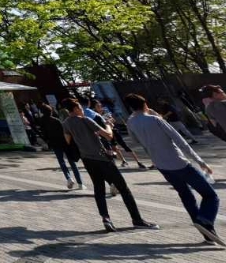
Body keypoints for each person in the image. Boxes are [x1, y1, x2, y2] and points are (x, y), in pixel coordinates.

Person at [123, 94, 224, 246]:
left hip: (162, 165)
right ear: (145, 104)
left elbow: (135, 141)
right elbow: (180, 140)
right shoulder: (155, 120)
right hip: (179, 162)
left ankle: (207, 234)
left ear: (130, 107)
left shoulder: (130, 122)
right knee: (210, 196)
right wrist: (200, 161)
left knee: (186, 196)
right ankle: (204, 221)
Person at [61, 98, 156, 232]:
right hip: (102, 158)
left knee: (99, 189)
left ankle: (106, 219)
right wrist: (108, 125)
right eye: (80, 108)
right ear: (75, 109)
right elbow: (108, 136)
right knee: (123, 188)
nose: (82, 110)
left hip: (87, 160)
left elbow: (68, 140)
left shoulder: (66, 123)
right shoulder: (86, 120)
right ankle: (137, 219)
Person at [38, 104, 83, 190]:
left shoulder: (42, 121)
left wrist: (48, 142)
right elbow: (65, 132)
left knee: (61, 162)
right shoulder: (56, 120)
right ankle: (80, 183)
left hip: (54, 144)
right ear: (51, 111)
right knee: (72, 162)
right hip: (64, 143)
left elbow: (44, 134)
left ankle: (69, 178)